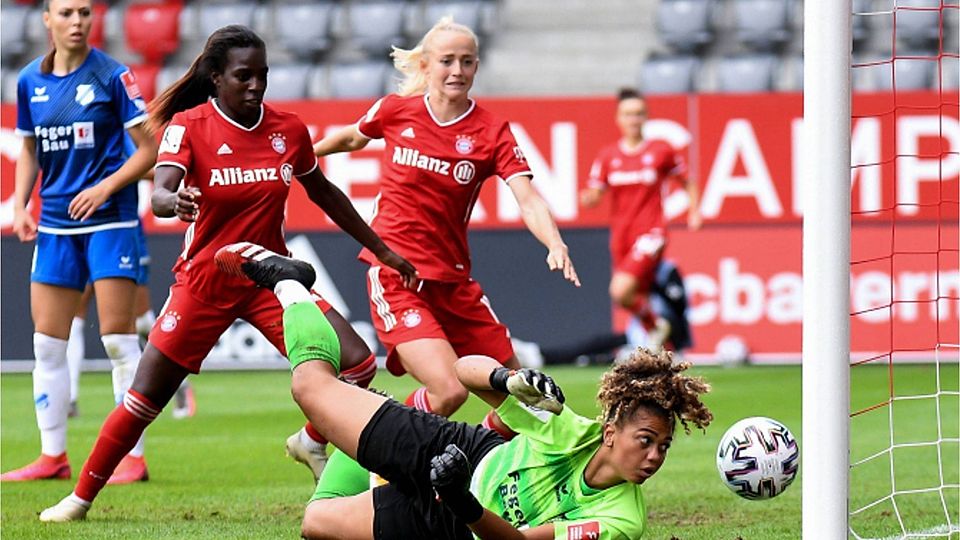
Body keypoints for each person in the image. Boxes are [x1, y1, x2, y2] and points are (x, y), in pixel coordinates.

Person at [38, 24, 416, 522]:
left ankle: (309, 441)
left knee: (358, 363)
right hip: (204, 282)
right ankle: (79, 499)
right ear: (216, 77)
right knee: (143, 400)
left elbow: (324, 193)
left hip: (270, 280)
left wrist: (384, 252)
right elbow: (161, 192)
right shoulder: (190, 126)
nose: (256, 85)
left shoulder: (288, 129)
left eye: (263, 75)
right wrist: (177, 201)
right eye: (244, 76)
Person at [218, 247, 713, 539]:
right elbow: (465, 371)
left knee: (315, 526)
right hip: (458, 450)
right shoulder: (564, 426)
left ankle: (372, 433)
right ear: (609, 432)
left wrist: (460, 501)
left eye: (663, 447)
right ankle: (291, 286)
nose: (654, 456)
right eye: (646, 439)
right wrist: (506, 381)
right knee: (309, 387)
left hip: (458, 523)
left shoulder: (622, 519)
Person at [305, 16, 579, 442]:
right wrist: (301, 159)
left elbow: (527, 197)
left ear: (476, 66)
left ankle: (469, 449)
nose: (457, 71)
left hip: (455, 284)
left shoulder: (492, 131)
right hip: (396, 273)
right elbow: (354, 138)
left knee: (524, 405)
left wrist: (554, 242)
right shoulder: (396, 110)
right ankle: (358, 449)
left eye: (467, 62)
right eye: (447, 60)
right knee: (448, 391)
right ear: (427, 66)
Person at [3, 0, 158, 483]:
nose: (77, 22)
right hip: (54, 227)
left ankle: (132, 458)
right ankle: (53, 457)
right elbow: (28, 146)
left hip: (110, 223)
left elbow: (151, 149)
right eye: (66, 13)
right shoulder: (29, 80)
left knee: (117, 340)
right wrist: (20, 201)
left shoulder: (113, 76)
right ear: (46, 20)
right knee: (46, 345)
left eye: (84, 13)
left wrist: (107, 186)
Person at [580, 88, 701, 353]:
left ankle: (658, 329)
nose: (633, 119)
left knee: (620, 290)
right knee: (633, 297)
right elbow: (596, 192)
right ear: (618, 119)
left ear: (646, 117)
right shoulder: (608, 156)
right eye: (628, 114)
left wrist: (695, 211)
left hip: (651, 232)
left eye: (638, 114)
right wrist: (589, 197)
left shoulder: (660, 151)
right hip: (621, 236)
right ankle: (665, 346)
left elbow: (687, 181)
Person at [66, 222, 197, 422]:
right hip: (79, 229)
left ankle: (178, 382)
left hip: (119, 230)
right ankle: (70, 399)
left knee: (143, 323)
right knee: (74, 317)